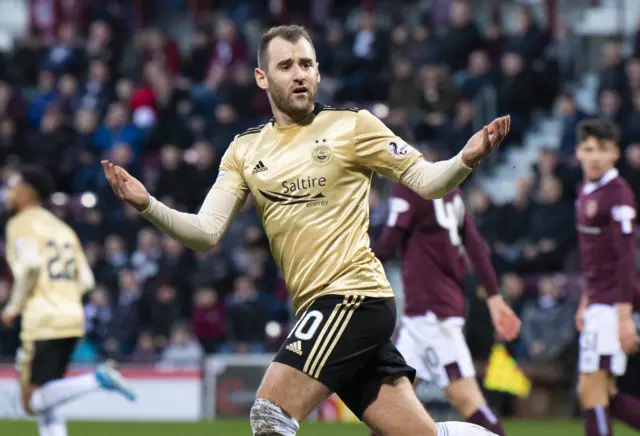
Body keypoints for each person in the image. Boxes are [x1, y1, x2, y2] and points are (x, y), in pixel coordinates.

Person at [101, 24, 510, 436]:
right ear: (262, 77)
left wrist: (465, 158)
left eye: (306, 64)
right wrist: (147, 205)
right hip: (320, 307)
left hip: (352, 297)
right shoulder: (244, 149)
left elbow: (428, 181)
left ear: (317, 73)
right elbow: (206, 232)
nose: (298, 73)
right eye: (285, 65)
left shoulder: (352, 126)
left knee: (269, 412)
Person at [371, 184, 520, 435]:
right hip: (425, 316)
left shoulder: (409, 186)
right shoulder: (450, 190)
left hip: (432, 316)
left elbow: (388, 243)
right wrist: (494, 297)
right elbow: (475, 246)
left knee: (468, 401)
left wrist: (347, 266)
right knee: (387, 404)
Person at [1, 166, 135, 436]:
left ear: (28, 192)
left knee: (30, 402)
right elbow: (85, 280)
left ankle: (97, 379)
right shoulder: (62, 228)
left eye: (13, 186)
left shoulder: (20, 223)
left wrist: (13, 307)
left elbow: (28, 266)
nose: (8, 193)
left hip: (43, 319)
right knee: (49, 396)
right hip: (72, 316)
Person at [574, 119, 640, 436]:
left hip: (613, 306)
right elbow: (595, 258)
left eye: (603, 149)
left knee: (592, 389)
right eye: (588, 149)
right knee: (603, 394)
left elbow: (627, 258)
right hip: (599, 302)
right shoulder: (586, 191)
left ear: (615, 153)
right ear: (578, 153)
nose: (595, 156)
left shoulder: (618, 193)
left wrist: (624, 316)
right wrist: (586, 300)